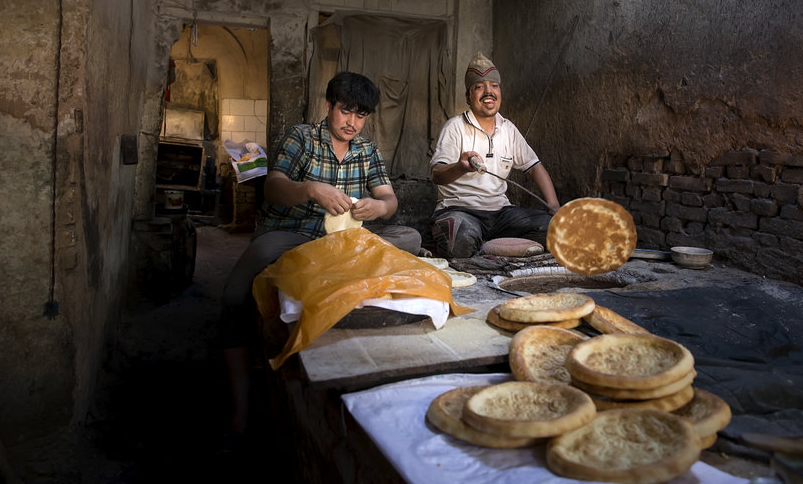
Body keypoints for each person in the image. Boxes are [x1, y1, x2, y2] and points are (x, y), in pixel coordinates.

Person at [218, 71, 421, 446]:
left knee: (411, 238)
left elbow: (390, 200)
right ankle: (241, 410)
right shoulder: (302, 138)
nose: (352, 123)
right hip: (290, 233)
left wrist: (378, 207)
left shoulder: (368, 150)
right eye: (346, 112)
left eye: (361, 116)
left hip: (343, 238)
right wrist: (311, 189)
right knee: (235, 294)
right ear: (328, 106)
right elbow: (273, 187)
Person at [429, 52, 560, 258]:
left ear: (500, 92)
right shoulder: (455, 127)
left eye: (494, 86)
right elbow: (437, 174)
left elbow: (534, 167)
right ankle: (476, 241)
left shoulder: (508, 129)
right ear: (468, 96)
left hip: (500, 214)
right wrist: (460, 167)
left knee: (554, 229)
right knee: (461, 238)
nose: (488, 92)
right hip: (461, 209)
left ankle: (487, 245)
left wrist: (554, 207)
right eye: (479, 87)